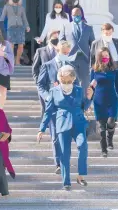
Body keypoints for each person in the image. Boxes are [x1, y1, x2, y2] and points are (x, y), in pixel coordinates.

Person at [38, 65, 94, 191]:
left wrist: (89, 98)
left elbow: (84, 106)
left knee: (83, 145)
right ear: (59, 79)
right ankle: (66, 182)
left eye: (69, 81)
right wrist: (41, 129)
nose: (66, 84)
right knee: (64, 154)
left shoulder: (79, 90)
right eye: (64, 81)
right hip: (62, 124)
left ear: (74, 79)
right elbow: (48, 111)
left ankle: (80, 176)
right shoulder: (53, 91)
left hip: (78, 123)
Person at [37, 40, 79, 174]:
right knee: (55, 135)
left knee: (66, 136)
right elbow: (40, 85)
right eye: (64, 52)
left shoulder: (71, 66)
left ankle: (64, 160)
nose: (66, 54)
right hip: (53, 106)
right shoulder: (47, 65)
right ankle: (58, 163)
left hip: (68, 107)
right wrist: (48, 97)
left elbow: (76, 85)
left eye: (68, 52)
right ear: (58, 51)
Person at [90, 47, 118, 157]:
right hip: (99, 101)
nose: (105, 57)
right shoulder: (94, 70)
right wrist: (88, 99)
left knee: (111, 122)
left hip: (112, 100)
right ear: (99, 57)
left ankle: (110, 140)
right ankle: (104, 149)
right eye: (103, 56)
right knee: (102, 127)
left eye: (107, 55)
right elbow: (91, 87)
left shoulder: (114, 70)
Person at [59, 7, 95, 94]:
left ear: (81, 15)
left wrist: (93, 61)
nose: (76, 17)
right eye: (74, 15)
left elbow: (93, 45)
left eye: (78, 15)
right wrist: (63, 59)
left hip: (84, 59)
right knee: (71, 82)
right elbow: (61, 43)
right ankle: (73, 103)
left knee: (85, 83)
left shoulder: (88, 28)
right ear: (71, 15)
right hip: (70, 60)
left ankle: (84, 104)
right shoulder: (65, 27)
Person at [32, 30, 60, 116]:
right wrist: (37, 81)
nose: (56, 40)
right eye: (54, 38)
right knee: (45, 105)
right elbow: (35, 67)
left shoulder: (60, 51)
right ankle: (45, 124)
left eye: (58, 38)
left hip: (57, 83)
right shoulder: (40, 51)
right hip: (44, 82)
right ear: (48, 39)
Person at [0, 0, 30, 65]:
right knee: (11, 45)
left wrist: (27, 26)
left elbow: (24, 18)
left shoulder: (21, 7)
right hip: (11, 28)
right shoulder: (6, 6)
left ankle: (17, 61)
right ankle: (11, 61)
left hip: (20, 28)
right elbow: (2, 17)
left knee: (21, 45)